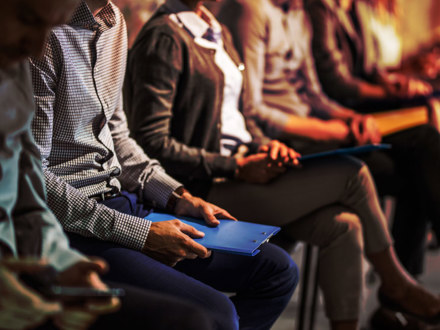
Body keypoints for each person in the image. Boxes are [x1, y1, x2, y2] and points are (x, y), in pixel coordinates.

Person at [124, 0, 440, 329]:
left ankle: (374, 305)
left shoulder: (215, 28)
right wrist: (234, 165)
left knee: (346, 226)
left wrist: (266, 145)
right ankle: (396, 283)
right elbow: (151, 142)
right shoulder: (165, 36)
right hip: (205, 187)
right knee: (354, 173)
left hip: (244, 166)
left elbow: (243, 117)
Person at [29, 0, 299, 329]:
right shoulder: (40, 35)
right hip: (74, 226)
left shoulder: (114, 22)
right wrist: (141, 234)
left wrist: (176, 196)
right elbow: (33, 178)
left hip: (123, 202)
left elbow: (118, 135)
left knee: (277, 270)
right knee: (217, 315)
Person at [0, 1, 216, 330]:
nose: (38, 45)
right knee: (201, 318)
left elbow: (29, 191)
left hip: (108, 206)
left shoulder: (109, 25)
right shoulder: (30, 56)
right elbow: (39, 184)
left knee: (273, 271)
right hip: (75, 218)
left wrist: (64, 262)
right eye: (28, 20)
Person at [303, 0, 440, 276]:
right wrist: (391, 92)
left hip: (352, 115)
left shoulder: (350, 9)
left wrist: (393, 81)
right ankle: (398, 297)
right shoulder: (316, 8)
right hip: (331, 123)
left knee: (421, 162)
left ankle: (398, 301)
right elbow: (334, 84)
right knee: (425, 143)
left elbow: (366, 69)